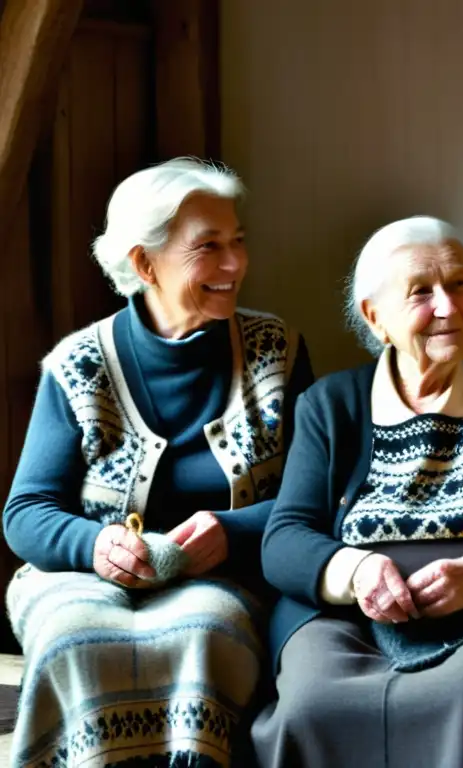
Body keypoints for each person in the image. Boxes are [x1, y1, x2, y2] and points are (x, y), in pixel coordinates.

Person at [3, 158, 314, 767]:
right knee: (74, 641)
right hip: (83, 578)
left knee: (205, 631)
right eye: (209, 247)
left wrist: (234, 531)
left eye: (238, 242)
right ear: (145, 264)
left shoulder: (275, 351)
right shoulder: (77, 364)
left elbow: (318, 495)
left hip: (224, 579)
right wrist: (96, 545)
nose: (234, 265)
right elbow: (26, 511)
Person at [251, 216, 463, 768]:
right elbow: (284, 537)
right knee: (314, 705)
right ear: (374, 317)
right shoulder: (331, 406)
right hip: (347, 618)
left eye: (459, 285)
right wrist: (356, 572)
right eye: (422, 292)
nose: (448, 306)